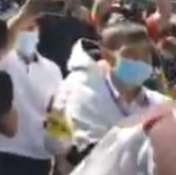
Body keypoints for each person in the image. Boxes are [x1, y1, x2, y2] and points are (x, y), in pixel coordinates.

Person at [44, 22, 170, 172]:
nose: (141, 61)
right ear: (107, 56)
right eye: (131, 54)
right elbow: (75, 149)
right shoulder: (80, 89)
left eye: (146, 54)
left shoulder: (159, 103)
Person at [0, 0, 63, 175]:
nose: (27, 32)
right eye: (21, 28)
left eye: (31, 27)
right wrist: (25, 14)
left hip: (39, 158)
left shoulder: (52, 69)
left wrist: (59, 158)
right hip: (1, 153)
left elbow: (57, 115)